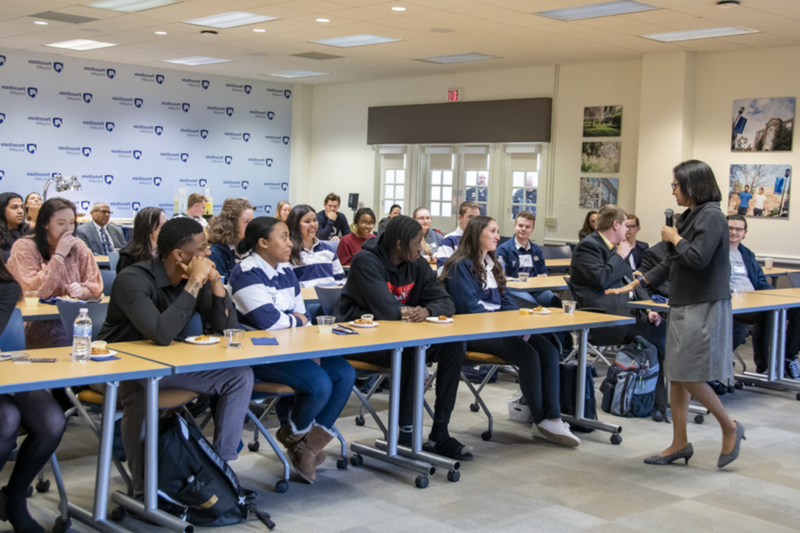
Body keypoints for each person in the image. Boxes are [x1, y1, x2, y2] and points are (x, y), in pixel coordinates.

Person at [97, 217, 253, 496]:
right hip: (118, 373)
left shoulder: (197, 278)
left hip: (168, 367)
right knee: (141, 386)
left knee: (239, 376)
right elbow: (161, 333)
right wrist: (195, 280)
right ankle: (143, 488)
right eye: (203, 248)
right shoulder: (132, 279)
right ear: (179, 255)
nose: (209, 254)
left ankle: (220, 468)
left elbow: (228, 330)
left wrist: (216, 283)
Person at [609, 160, 744, 468]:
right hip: (683, 302)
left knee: (687, 373)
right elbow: (673, 263)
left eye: (675, 186)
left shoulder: (712, 217)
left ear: (692, 186)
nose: (673, 192)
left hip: (704, 303)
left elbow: (696, 258)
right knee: (677, 373)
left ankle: (729, 426)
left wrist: (675, 238)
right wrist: (639, 280)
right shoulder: (689, 217)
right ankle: (679, 442)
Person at [230, 217, 355, 483]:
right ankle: (301, 440)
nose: (291, 243)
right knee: (320, 382)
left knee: (344, 372)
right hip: (259, 353)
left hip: (294, 347)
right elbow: (269, 322)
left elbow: (302, 317)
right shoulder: (245, 272)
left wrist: (296, 324)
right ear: (263, 243)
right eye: (284, 237)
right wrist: (295, 320)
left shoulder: (286, 269)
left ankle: (303, 443)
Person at [337, 216, 471, 460]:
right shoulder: (365, 261)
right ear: (399, 243)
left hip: (403, 338)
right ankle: (406, 434)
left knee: (452, 345)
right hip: (361, 342)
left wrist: (428, 310)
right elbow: (386, 311)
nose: (422, 247)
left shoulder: (417, 263)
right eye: (417, 242)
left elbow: (446, 302)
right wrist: (413, 310)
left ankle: (439, 433)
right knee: (410, 349)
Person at [441, 215, 580, 447]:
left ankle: (552, 417)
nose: (498, 236)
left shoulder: (492, 264)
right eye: (493, 231)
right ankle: (540, 420)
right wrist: (506, 326)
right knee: (529, 355)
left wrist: (516, 324)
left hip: (499, 328)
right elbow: (470, 308)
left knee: (548, 349)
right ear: (477, 235)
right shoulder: (459, 266)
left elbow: (506, 301)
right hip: (476, 333)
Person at [570, 204, 667, 420]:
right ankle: (657, 403)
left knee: (664, 331)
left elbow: (631, 282)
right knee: (661, 338)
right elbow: (602, 280)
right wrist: (621, 257)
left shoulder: (613, 248)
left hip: (625, 313)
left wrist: (649, 307)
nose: (627, 230)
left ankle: (655, 399)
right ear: (616, 224)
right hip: (602, 318)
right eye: (625, 224)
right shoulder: (589, 247)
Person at [0, 255, 66, 533]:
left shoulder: (6, 288)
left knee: (52, 420)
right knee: (7, 417)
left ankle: (14, 498)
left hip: (5, 369)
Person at [8, 198, 102, 349]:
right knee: (63, 340)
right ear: (45, 224)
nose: (68, 229)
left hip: (76, 318)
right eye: (61, 223)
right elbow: (37, 291)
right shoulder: (24, 247)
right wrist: (59, 256)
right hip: (38, 323)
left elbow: (95, 286)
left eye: (72, 222)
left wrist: (82, 291)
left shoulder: (78, 246)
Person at [727, 214, 800, 378]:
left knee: (797, 309)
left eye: (738, 229)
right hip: (733, 304)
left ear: (745, 232)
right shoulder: (717, 253)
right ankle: (764, 367)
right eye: (730, 228)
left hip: (754, 299)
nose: (733, 232)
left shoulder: (747, 254)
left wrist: (774, 297)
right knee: (766, 314)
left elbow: (760, 281)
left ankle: (789, 357)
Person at [496, 211, 561, 308]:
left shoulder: (535, 249)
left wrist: (543, 275)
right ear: (514, 226)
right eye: (520, 225)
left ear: (532, 229)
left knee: (554, 300)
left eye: (527, 227)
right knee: (530, 303)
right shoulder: (503, 249)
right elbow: (502, 276)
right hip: (516, 290)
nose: (523, 229)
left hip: (535, 289)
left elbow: (543, 269)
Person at [287, 205, 346, 287]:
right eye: (307, 221)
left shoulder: (328, 249)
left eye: (315, 220)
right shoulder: (288, 253)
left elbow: (340, 279)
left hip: (329, 297)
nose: (313, 224)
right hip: (305, 298)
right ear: (295, 225)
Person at [207, 198, 254, 280]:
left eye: (252, 221)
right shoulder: (216, 254)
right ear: (232, 224)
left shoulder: (254, 247)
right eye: (247, 221)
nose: (252, 226)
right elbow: (222, 288)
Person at [116, 207, 167, 274]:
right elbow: (125, 282)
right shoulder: (128, 256)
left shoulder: (167, 252)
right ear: (147, 230)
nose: (167, 229)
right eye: (162, 226)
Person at [435, 201, 481, 271]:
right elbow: (442, 270)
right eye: (470, 217)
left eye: (477, 217)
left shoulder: (480, 239)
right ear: (460, 218)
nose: (474, 221)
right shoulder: (448, 240)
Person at [0, 193, 31, 262]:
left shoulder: (29, 233)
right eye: (14, 207)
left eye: (22, 207)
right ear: (2, 210)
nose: (20, 211)